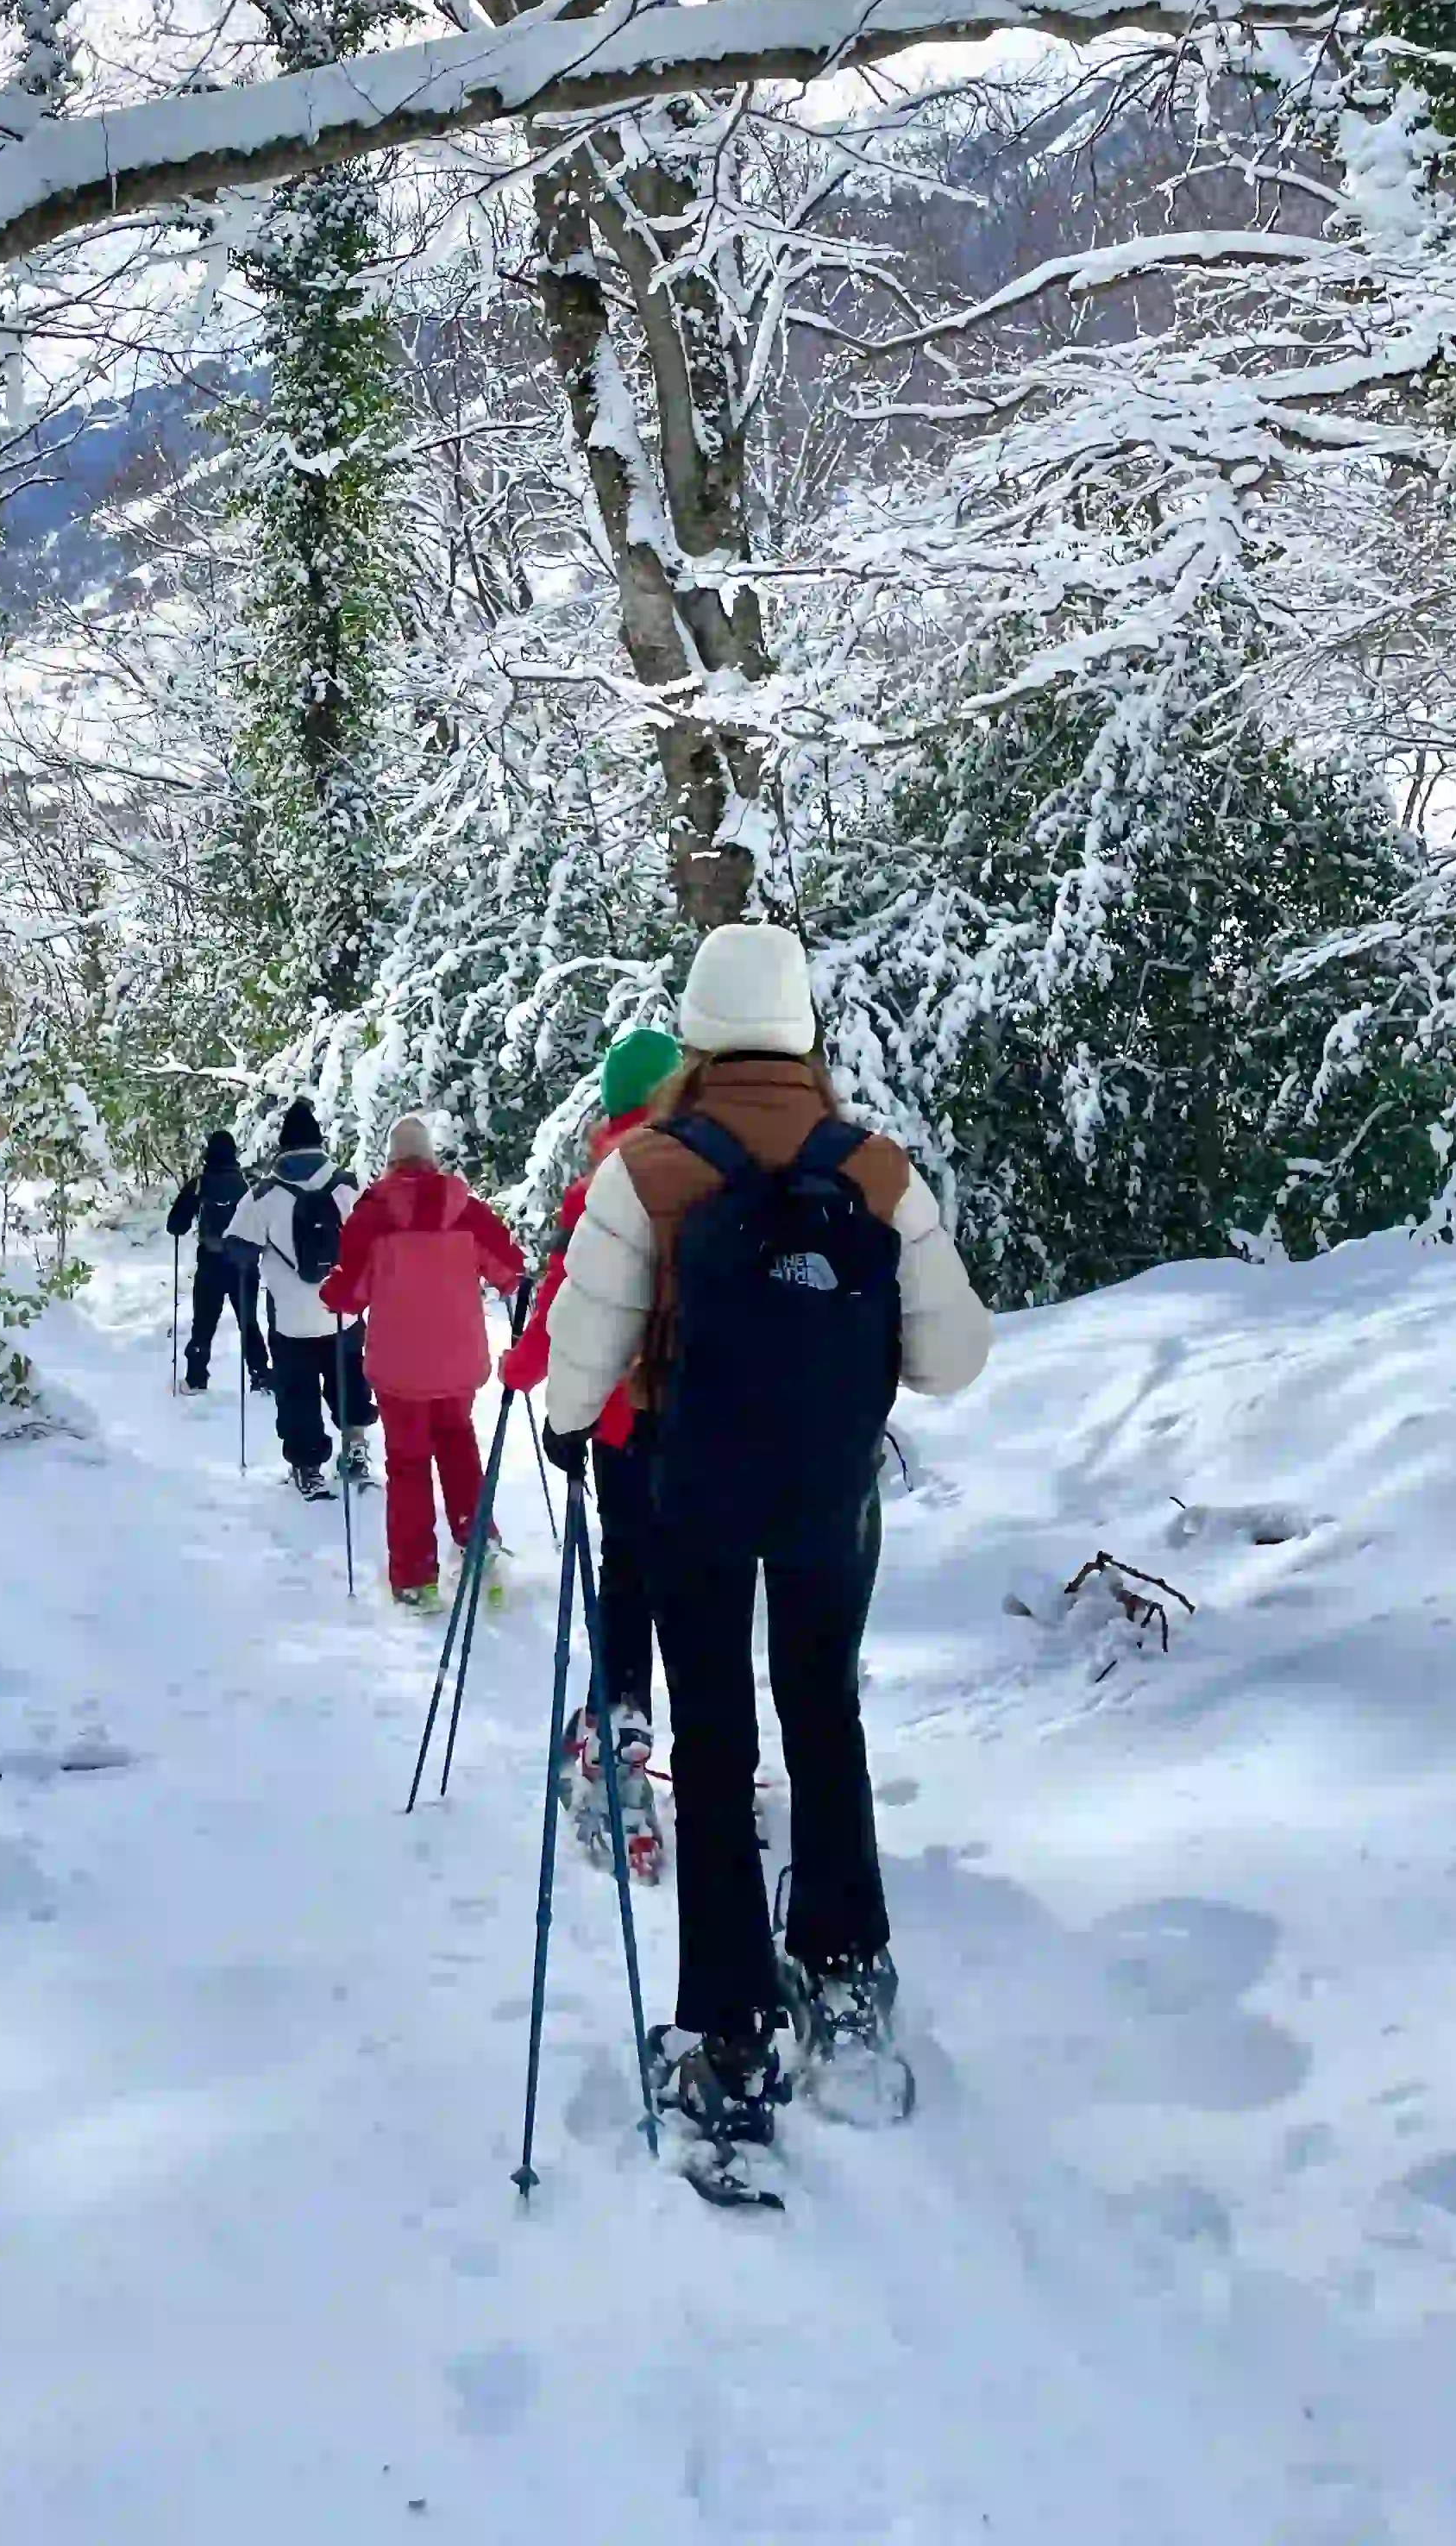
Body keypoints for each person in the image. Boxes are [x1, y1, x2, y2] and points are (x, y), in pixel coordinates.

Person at [543, 924, 991, 2168]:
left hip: (696, 1495)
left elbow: (580, 1368)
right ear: (803, 1032)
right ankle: (845, 1979)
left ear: (695, 1033)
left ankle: (730, 2038)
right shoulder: (877, 1170)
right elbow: (956, 1357)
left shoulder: (649, 1168)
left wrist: (570, 1429)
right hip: (828, 1498)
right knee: (823, 1719)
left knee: (717, 1744)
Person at [500, 1024, 681, 1869]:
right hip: (710, 1419)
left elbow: (563, 1316)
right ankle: (698, 1737)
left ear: (610, 1106)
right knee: (695, 1577)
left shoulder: (599, 1193)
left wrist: (519, 1370)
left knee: (630, 1570)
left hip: (618, 1421)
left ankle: (622, 1713)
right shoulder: (715, 1173)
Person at [323, 1115, 524, 1605]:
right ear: (431, 1160)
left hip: (399, 1371)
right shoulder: (466, 1210)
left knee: (409, 1465)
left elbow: (348, 1296)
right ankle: (480, 1548)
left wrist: (332, 1287)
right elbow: (512, 1270)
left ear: (392, 1162)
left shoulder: (373, 1214)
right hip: (458, 1366)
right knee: (459, 1450)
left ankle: (415, 1580)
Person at [229, 1099, 370, 1499]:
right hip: (344, 1314)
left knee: (297, 1391)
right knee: (349, 1379)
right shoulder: (346, 1186)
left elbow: (238, 1249)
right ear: (319, 1144)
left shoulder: (264, 1194)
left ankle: (308, 1467)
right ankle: (356, 1445)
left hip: (290, 1318)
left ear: (283, 1146)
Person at [166, 1128, 267, 1399]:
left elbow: (175, 1225)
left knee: (203, 1325)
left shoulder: (200, 1183)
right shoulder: (247, 1185)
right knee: (249, 1323)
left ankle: (196, 1379)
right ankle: (261, 1376)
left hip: (210, 1265)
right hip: (243, 1268)